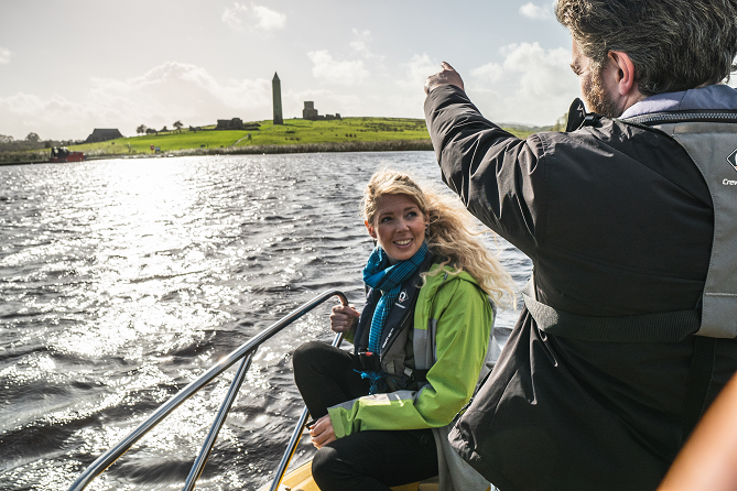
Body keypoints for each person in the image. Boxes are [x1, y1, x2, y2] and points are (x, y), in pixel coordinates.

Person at [422, 1, 737, 490]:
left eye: (581, 67)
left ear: (621, 70)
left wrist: (444, 94)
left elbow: (470, 154)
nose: (580, 81)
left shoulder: (559, 175)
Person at [292, 169, 514, 491]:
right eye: (388, 219)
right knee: (310, 358)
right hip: (400, 396)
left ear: (425, 218)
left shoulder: (458, 291)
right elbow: (404, 344)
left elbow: (445, 402)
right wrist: (358, 329)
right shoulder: (390, 275)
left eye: (410, 215)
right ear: (371, 228)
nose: (402, 228)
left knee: (331, 466)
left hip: (441, 429)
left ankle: (353, 459)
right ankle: (361, 458)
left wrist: (351, 416)